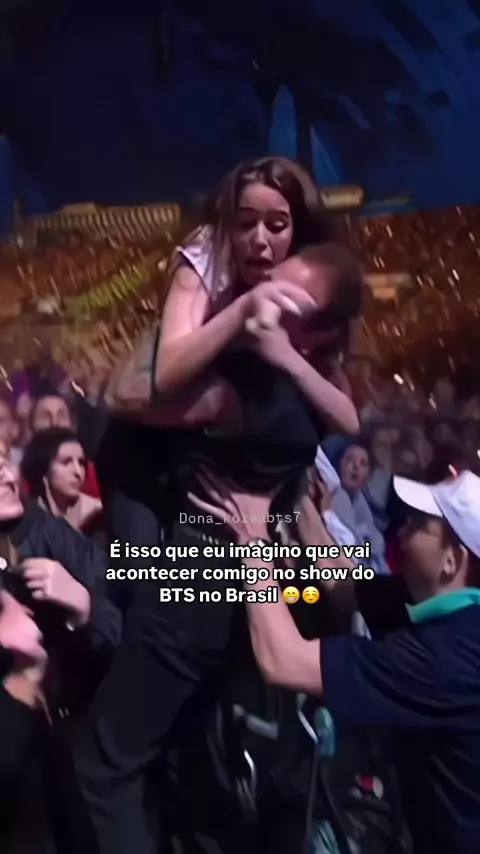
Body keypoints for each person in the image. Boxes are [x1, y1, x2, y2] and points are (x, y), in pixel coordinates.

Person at [194, 468, 480, 854]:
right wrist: (300, 497)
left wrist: (252, 540)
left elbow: (284, 661)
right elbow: (345, 584)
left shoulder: (445, 658)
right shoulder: (450, 608)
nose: (401, 531)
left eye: (419, 525)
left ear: (452, 560)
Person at [22, 428, 102, 533]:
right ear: (43, 468)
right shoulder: (26, 519)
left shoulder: (98, 515)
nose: (78, 472)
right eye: (66, 462)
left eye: (81, 462)